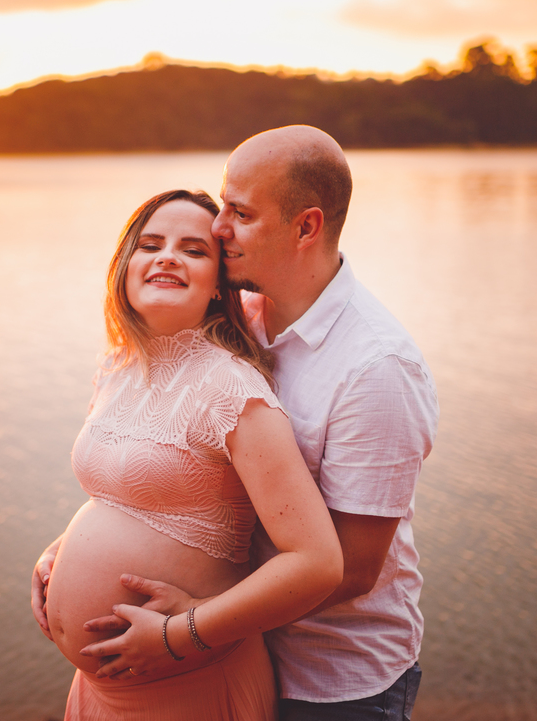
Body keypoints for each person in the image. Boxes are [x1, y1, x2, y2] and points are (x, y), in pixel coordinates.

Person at [35, 127, 439, 721]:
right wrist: (70, 552)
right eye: (223, 206)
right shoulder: (235, 319)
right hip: (210, 649)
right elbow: (175, 481)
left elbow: (349, 567)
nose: (219, 228)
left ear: (306, 227)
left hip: (331, 677)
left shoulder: (376, 368)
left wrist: (195, 620)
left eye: (240, 212)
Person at [35, 188, 344, 720]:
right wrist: (58, 554)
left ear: (219, 283)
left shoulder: (231, 388)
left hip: (190, 688)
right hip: (100, 692)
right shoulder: (119, 367)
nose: (168, 256)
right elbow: (129, 497)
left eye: (194, 250)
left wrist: (181, 635)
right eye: (150, 243)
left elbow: (318, 563)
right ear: (125, 265)